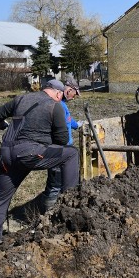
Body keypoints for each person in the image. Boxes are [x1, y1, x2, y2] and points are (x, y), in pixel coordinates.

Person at [0, 79, 80, 251]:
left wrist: (1, 124)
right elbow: (63, 140)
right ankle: (72, 201)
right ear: (57, 93)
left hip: (7, 155)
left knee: (0, 197)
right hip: (31, 154)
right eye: (60, 95)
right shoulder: (54, 106)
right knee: (71, 153)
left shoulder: (20, 99)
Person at [41, 78, 83, 211]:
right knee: (55, 182)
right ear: (68, 90)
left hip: (65, 150)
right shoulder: (57, 105)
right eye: (74, 93)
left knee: (61, 181)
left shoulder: (62, 105)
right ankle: (49, 213)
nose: (74, 97)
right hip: (58, 150)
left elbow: (68, 120)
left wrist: (77, 125)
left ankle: (59, 209)